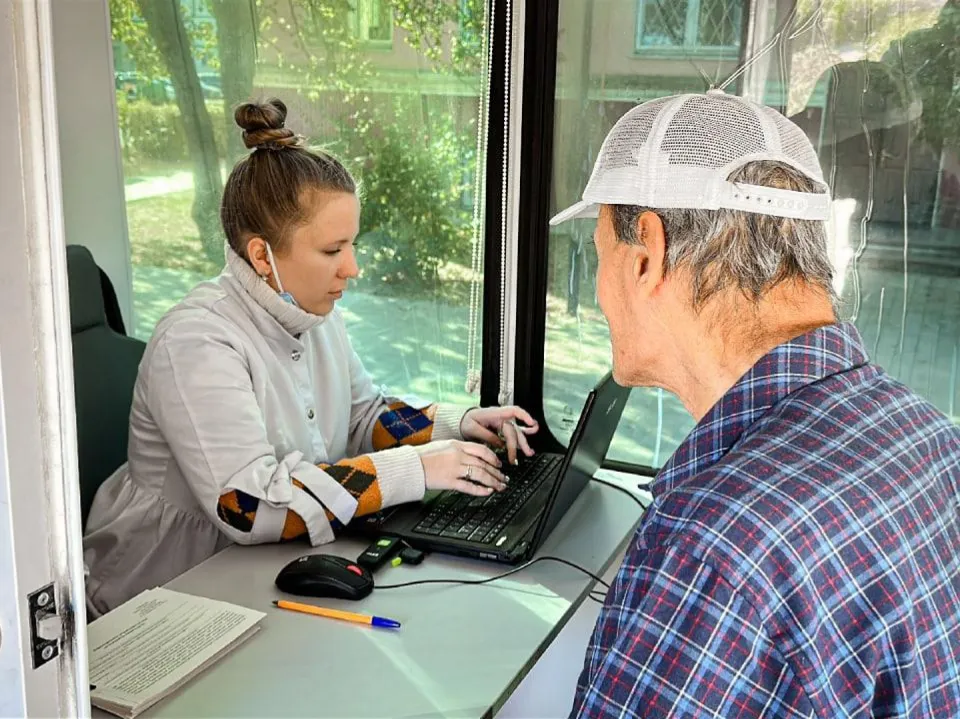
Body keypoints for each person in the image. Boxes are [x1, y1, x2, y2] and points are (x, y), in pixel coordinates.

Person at [551, 91, 960, 718]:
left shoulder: (715, 549)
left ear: (646, 256)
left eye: (598, 252)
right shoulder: (927, 435)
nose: (599, 287)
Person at [83, 99, 538, 617]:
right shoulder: (196, 343)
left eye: (352, 244)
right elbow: (251, 508)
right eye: (332, 250)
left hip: (254, 577)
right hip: (161, 593)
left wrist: (457, 426)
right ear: (262, 256)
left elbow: (364, 416)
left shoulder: (312, 311)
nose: (353, 267)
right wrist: (415, 468)